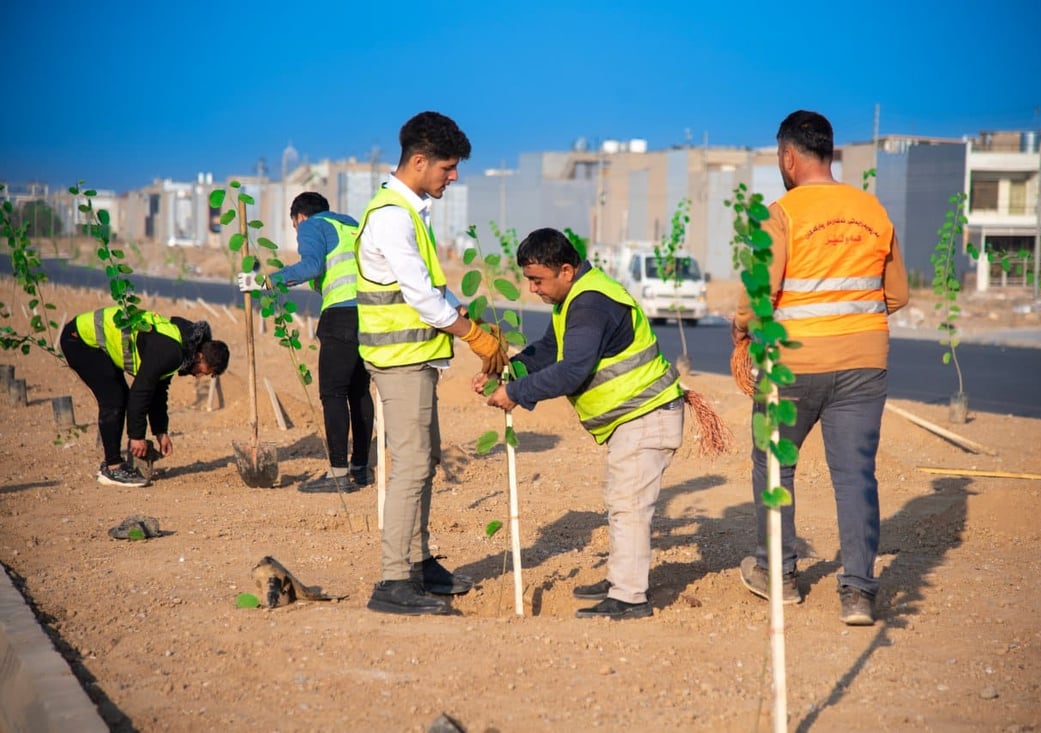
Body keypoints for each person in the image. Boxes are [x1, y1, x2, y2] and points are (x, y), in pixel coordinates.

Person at [733, 110, 909, 626]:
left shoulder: (781, 212)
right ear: (829, 153)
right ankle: (857, 593)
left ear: (788, 156)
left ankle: (778, 576)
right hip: (863, 364)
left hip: (793, 365)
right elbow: (896, 293)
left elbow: (759, 293)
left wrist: (743, 326)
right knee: (855, 476)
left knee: (774, 464)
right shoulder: (873, 210)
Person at [478, 227, 684, 620]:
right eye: (529, 281)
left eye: (538, 280)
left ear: (567, 270)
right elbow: (553, 348)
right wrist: (511, 371)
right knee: (621, 502)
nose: (533, 289)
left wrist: (518, 393)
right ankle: (621, 580)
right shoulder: (577, 297)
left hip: (647, 414)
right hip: (636, 416)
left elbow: (572, 369)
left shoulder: (590, 304)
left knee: (629, 506)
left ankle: (629, 598)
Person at [355, 111, 508, 616]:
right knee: (412, 466)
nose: (453, 176)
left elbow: (425, 288)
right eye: (447, 167)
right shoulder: (392, 216)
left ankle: (418, 563)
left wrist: (459, 312)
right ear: (419, 161)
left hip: (415, 361)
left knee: (427, 459)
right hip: (399, 363)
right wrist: (474, 337)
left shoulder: (408, 212)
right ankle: (393, 581)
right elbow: (420, 298)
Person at [237, 192, 374, 493]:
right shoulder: (349, 225)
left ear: (299, 217)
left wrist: (264, 281)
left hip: (341, 314)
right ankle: (360, 469)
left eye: (295, 227)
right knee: (359, 390)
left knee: (333, 393)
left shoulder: (312, 225)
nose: (299, 232)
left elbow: (311, 266)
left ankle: (338, 474)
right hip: (371, 313)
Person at [60, 306, 230, 487]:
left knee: (119, 396)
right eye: (203, 371)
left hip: (93, 341)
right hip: (79, 339)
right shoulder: (171, 352)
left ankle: (113, 465)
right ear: (199, 356)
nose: (198, 376)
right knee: (114, 399)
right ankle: (113, 467)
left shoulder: (180, 346)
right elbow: (140, 391)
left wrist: (161, 432)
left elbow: (158, 391)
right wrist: (137, 436)